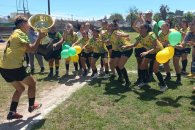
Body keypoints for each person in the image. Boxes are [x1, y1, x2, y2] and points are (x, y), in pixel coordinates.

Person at [0, 15, 45, 120]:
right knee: (32, 83)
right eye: (28, 23)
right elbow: (32, 50)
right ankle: (31, 105)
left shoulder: (14, 34)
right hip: (14, 67)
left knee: (20, 88)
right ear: (23, 24)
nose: (29, 25)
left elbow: (23, 50)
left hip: (3, 68)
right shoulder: (21, 33)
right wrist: (39, 37)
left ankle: (12, 112)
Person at [123, 23, 168, 92]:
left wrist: (146, 52)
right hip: (150, 52)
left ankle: (163, 85)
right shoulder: (140, 36)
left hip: (158, 52)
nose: (140, 29)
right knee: (142, 66)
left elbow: (154, 47)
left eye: (142, 28)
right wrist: (127, 46)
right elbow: (135, 44)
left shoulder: (151, 34)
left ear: (146, 29)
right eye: (140, 28)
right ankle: (144, 81)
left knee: (155, 69)